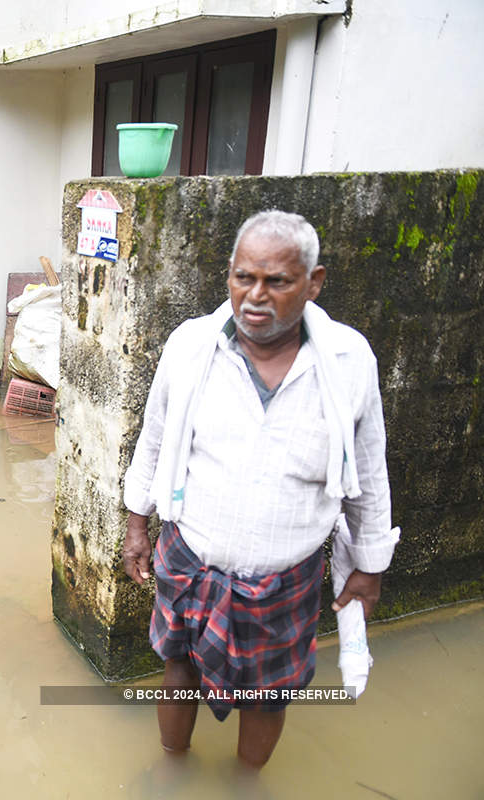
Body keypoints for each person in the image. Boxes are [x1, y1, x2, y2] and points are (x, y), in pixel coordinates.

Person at [120, 210, 398, 769]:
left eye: (277, 281)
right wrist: (136, 524)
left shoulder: (347, 361)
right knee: (178, 664)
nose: (255, 296)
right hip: (191, 553)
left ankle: (247, 780)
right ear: (229, 274)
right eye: (244, 277)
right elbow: (152, 440)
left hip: (288, 568)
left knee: (270, 693)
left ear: (314, 282)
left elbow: (367, 471)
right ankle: (172, 765)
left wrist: (368, 565)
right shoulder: (192, 346)